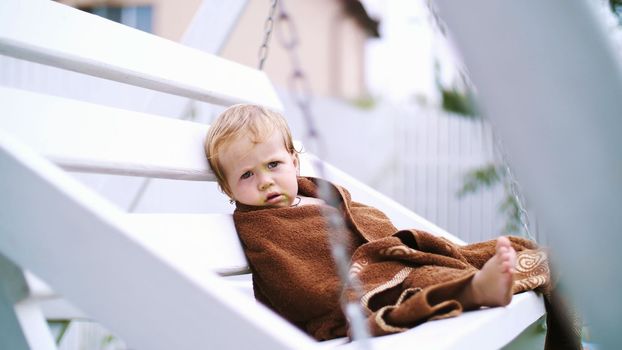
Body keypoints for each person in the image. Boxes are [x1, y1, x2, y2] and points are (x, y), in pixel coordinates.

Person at [204, 104, 566, 346]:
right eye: (247, 174)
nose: (265, 181)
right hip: (354, 293)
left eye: (273, 165)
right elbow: (294, 285)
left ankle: (489, 270)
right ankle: (475, 290)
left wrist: (390, 247)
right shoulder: (260, 229)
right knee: (425, 281)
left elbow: (367, 220)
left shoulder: (316, 193)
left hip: (384, 263)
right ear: (227, 188)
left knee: (499, 252)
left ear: (294, 162)